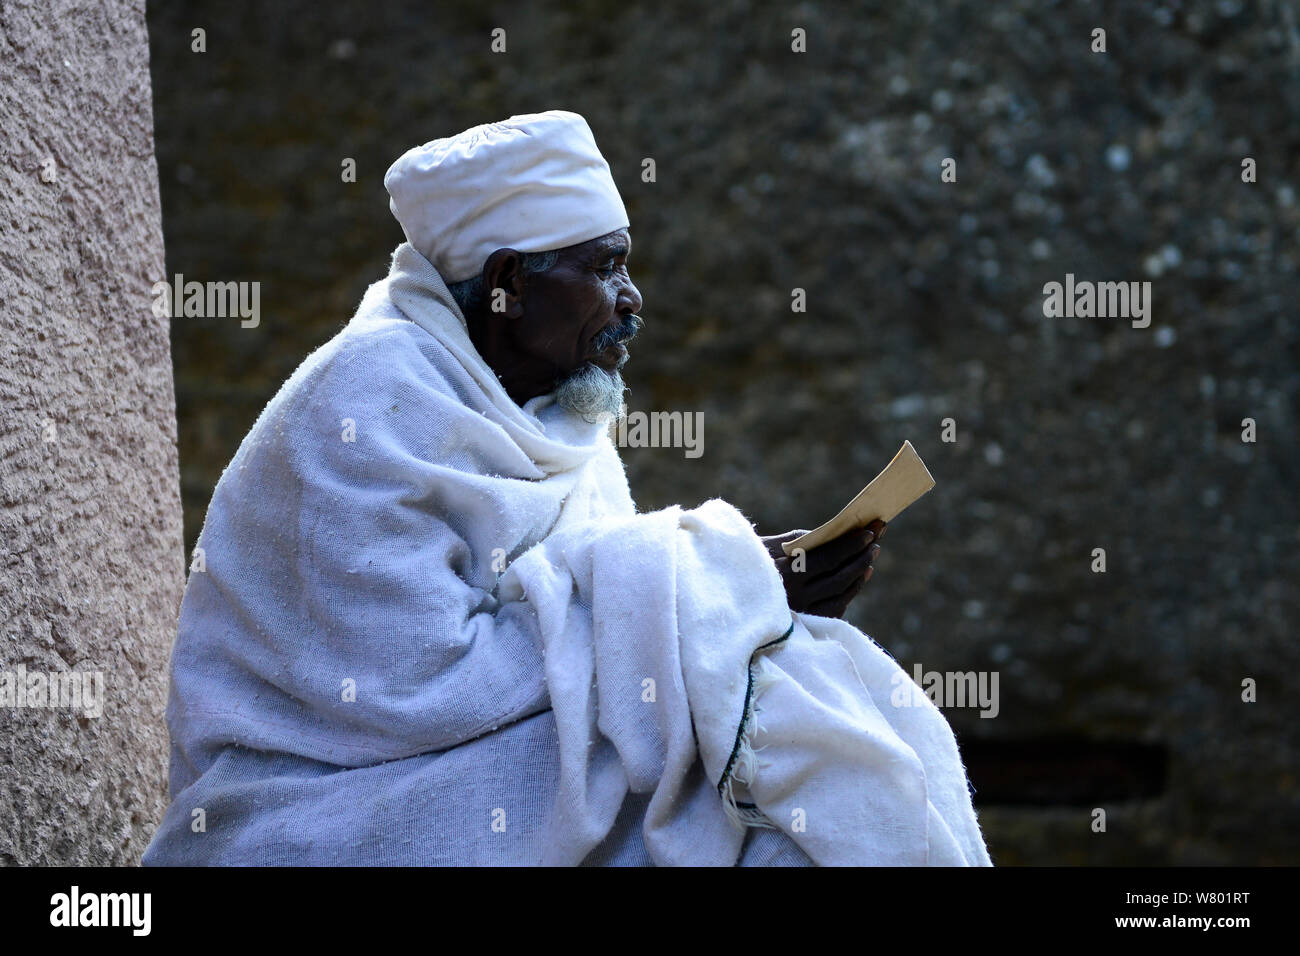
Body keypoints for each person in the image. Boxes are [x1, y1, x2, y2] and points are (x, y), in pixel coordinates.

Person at [143, 110, 991, 866]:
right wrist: (718, 588)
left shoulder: (557, 416)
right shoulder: (369, 402)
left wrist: (736, 607)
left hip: (494, 764)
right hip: (335, 799)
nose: (633, 300)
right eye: (607, 268)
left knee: (824, 719)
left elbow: (598, 632)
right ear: (509, 283)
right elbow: (415, 689)